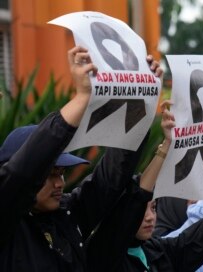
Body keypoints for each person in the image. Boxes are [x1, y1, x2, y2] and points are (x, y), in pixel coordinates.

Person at [0, 46, 163, 272]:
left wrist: (141, 101)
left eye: (61, 173)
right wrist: (83, 98)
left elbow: (112, 177)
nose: (60, 183)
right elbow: (23, 174)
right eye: (49, 174)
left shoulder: (68, 214)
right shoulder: (9, 220)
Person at [86, 100, 203, 272]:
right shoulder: (101, 254)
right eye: (142, 210)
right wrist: (166, 146)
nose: (150, 217)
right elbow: (137, 197)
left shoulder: (159, 251)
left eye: (153, 208)